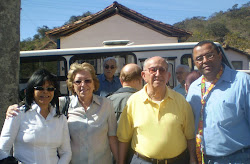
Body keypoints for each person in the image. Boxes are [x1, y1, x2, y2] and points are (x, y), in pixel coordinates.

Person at [6, 63, 119, 164]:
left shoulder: (107, 105)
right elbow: (40, 102)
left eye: (88, 80)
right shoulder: (62, 104)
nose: (83, 85)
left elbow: (112, 138)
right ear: (72, 86)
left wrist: (119, 161)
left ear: (94, 84)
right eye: (78, 81)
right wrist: (14, 108)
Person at [117, 56, 197, 164]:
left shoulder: (181, 101)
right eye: (153, 70)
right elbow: (124, 138)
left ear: (168, 76)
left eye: (162, 70)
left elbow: (190, 136)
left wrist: (192, 158)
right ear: (144, 75)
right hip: (142, 161)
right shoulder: (133, 101)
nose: (158, 74)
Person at [186, 40, 250, 163]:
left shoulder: (242, 82)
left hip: (237, 158)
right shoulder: (194, 88)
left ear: (219, 55)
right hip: (205, 158)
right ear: (195, 63)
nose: (205, 61)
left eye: (209, 55)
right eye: (199, 58)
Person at [0, 69, 72, 164]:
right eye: (40, 88)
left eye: (50, 88)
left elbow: (66, 152)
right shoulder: (17, 114)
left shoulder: (60, 118)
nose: (45, 92)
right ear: (32, 90)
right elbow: (3, 149)